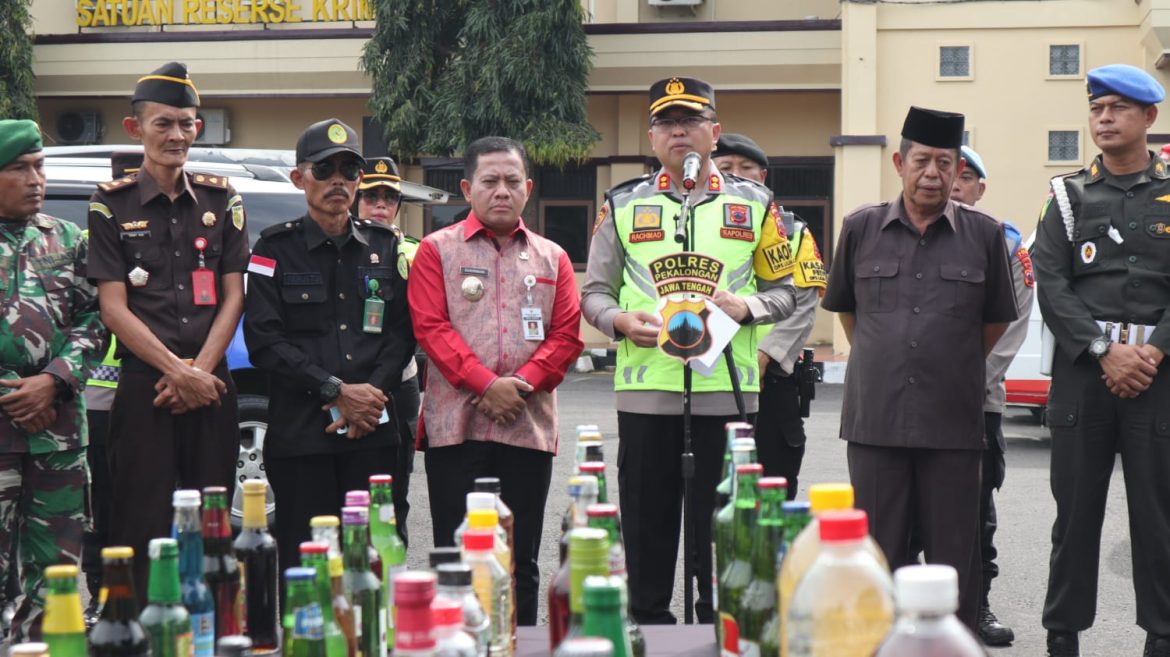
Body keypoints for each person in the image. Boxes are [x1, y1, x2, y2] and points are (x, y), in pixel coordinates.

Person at [581, 77, 797, 625]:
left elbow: (788, 289)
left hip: (727, 393)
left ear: (714, 133)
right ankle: (650, 628)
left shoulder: (756, 203)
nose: (679, 131)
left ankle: (716, 631)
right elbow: (594, 293)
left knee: (721, 539)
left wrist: (748, 307)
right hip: (646, 394)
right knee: (647, 535)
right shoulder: (623, 203)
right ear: (651, 137)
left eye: (692, 121)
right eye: (667, 123)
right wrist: (619, 321)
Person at [820, 106, 1018, 630]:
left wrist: (947, 359)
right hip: (876, 421)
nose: (933, 173)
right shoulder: (860, 227)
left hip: (952, 422)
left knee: (955, 558)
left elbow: (996, 320)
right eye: (922, 161)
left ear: (958, 170)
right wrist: (883, 358)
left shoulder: (984, 234)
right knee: (879, 555)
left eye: (945, 163)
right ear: (899, 162)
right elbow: (845, 308)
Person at [86, 62, 249, 601]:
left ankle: (210, 626)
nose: (177, 135)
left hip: (211, 385)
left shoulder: (224, 201)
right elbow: (113, 308)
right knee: (139, 520)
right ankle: (137, 630)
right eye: (164, 124)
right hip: (145, 386)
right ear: (136, 129)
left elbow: (234, 296)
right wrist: (178, 373)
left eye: (186, 123)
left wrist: (200, 373)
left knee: (213, 518)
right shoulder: (110, 204)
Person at [408, 136, 582, 625]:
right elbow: (431, 328)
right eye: (489, 181)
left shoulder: (553, 258)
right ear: (468, 188)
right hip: (456, 430)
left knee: (520, 560)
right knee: (456, 557)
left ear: (528, 188)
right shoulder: (435, 252)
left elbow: (566, 337)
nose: (501, 190)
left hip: (526, 429)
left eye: (511, 181)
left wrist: (518, 385)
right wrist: (486, 385)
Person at [1032, 64, 1170, 657]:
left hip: (1159, 376)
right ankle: (1062, 635)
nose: (1104, 118)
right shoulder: (1067, 195)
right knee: (1076, 516)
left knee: (1160, 517)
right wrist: (1103, 350)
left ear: (1149, 118)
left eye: (1117, 108)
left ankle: (1162, 635)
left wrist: (1153, 351)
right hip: (1087, 376)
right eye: (1096, 109)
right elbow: (1051, 281)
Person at [244, 120, 415, 577]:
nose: (338, 180)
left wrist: (370, 396)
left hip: (373, 433)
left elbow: (401, 332)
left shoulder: (384, 246)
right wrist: (336, 390)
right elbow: (264, 339)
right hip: (303, 437)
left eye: (349, 170)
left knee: (376, 560)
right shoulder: (272, 248)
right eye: (324, 169)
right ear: (299, 178)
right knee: (308, 567)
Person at [0, 119, 105, 640]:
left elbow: (97, 320)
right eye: (19, 168)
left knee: (57, 578)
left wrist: (55, 380)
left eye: (39, 166)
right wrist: (15, 394)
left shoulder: (67, 239)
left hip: (59, 440)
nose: (35, 179)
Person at [712, 132, 826, 498]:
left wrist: (765, 356)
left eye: (746, 169)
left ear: (763, 177)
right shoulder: (698, 227)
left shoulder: (792, 231)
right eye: (725, 167)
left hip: (772, 380)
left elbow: (804, 303)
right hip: (712, 377)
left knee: (772, 490)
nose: (737, 175)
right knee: (717, 493)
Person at [80, 151, 137, 628]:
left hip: (151, 396)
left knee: (146, 501)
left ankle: (133, 593)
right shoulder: (89, 243)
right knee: (102, 505)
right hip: (99, 401)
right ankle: (101, 593)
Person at [354, 156, 420, 545]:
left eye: (389, 197)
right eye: (371, 196)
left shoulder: (411, 251)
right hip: (346, 384)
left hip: (398, 382)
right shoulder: (341, 247)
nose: (380, 204)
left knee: (395, 490)